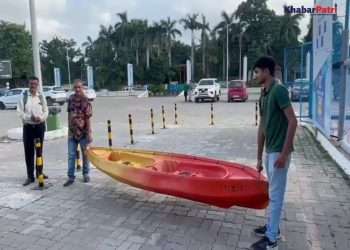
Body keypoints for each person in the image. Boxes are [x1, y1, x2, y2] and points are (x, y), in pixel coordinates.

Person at [251, 56, 297, 250]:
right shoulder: (264, 94)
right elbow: (262, 126)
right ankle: (272, 228)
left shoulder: (279, 91)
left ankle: (271, 241)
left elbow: (293, 121)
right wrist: (259, 157)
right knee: (273, 194)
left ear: (267, 72)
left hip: (279, 152)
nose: (255, 75)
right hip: (271, 152)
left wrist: (284, 154)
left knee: (276, 196)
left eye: (257, 72)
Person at [17, 76, 48, 186]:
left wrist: (42, 118)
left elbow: (46, 111)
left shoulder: (41, 96)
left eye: (35, 84)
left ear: (38, 85)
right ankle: (30, 176)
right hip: (28, 128)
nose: (33, 86)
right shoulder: (24, 97)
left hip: (40, 127)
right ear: (28, 84)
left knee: (39, 151)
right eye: (31, 83)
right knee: (29, 152)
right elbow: (20, 113)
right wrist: (30, 118)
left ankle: (40, 172)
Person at [64, 79, 93, 187]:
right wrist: (69, 129)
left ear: (82, 88)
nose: (77, 89)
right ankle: (70, 176)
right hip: (72, 132)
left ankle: (86, 174)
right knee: (71, 155)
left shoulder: (86, 101)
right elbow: (69, 114)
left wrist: (89, 133)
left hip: (83, 132)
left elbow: (88, 118)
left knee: (85, 155)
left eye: (79, 87)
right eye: (75, 87)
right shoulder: (71, 99)